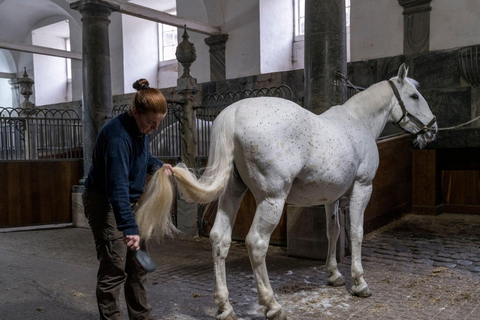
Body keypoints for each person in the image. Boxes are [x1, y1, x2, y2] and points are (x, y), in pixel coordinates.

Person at [82, 78, 173, 320]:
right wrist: (129, 227)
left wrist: (156, 165)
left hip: (127, 203)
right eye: (150, 123)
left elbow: (142, 157)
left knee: (138, 266)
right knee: (115, 267)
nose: (153, 129)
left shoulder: (140, 128)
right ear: (135, 112)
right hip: (106, 203)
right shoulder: (118, 138)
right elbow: (117, 186)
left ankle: (142, 317)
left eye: (158, 125)